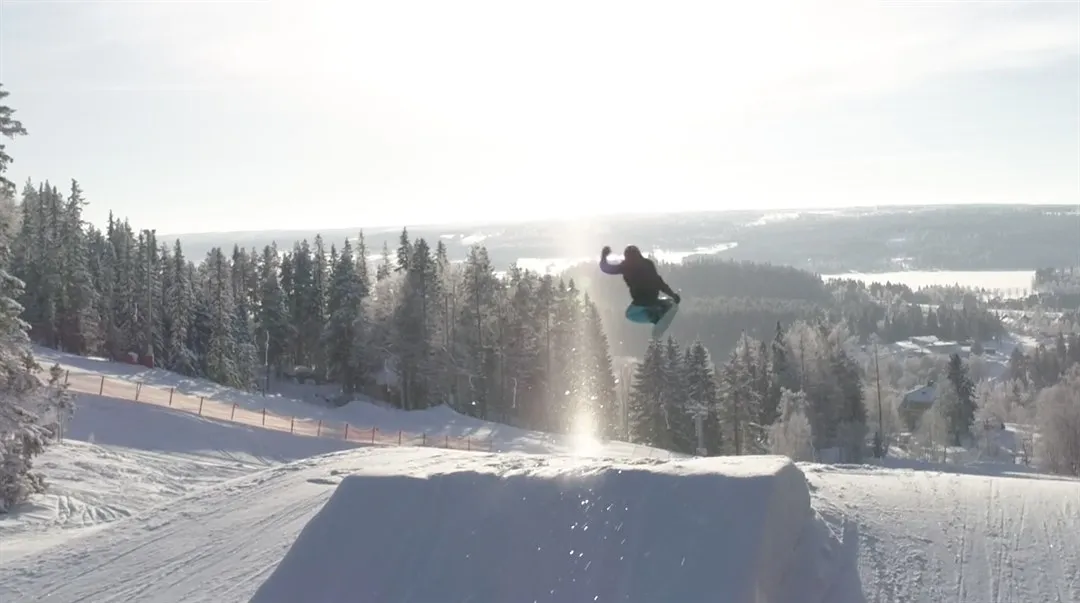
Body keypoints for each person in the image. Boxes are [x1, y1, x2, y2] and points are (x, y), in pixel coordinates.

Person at [599, 245, 681, 324]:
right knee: (653, 302)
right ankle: (665, 304)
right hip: (653, 297)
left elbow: (606, 268)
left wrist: (604, 255)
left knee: (630, 314)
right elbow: (659, 282)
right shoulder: (648, 264)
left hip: (640, 300)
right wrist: (672, 295)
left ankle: (654, 317)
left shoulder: (626, 266)